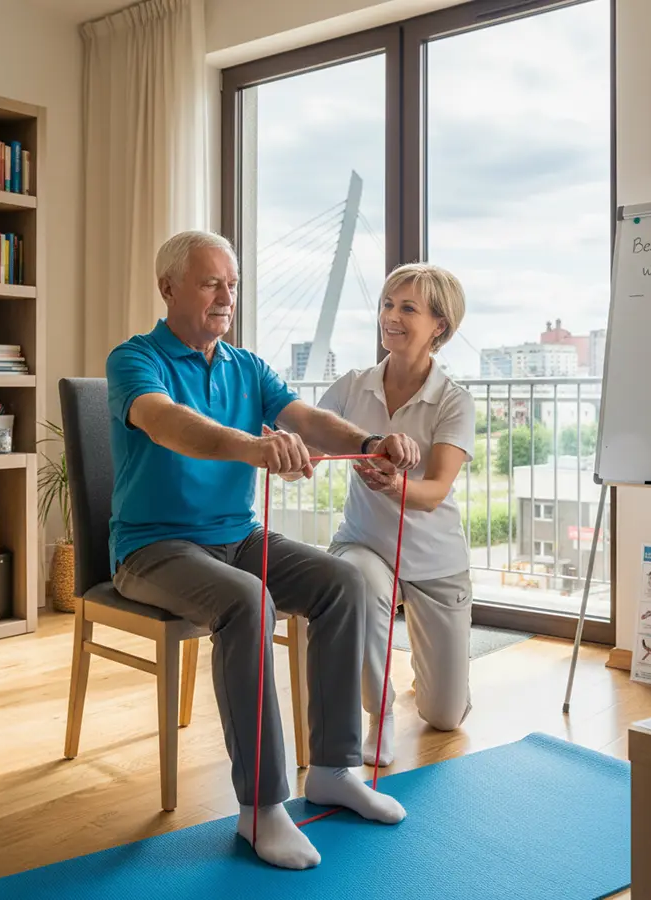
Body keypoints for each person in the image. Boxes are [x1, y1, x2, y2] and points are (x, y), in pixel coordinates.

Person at [105, 230, 422, 870]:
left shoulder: (246, 365)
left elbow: (306, 419)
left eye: (232, 284)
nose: (226, 297)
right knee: (248, 602)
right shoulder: (135, 359)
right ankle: (262, 807)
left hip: (238, 537)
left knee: (343, 582)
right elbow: (168, 424)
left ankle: (333, 769)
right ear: (168, 288)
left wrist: (370, 441)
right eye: (210, 283)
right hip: (152, 548)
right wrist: (254, 446)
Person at [318, 263, 477, 767]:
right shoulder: (351, 386)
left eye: (408, 308)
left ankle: (437, 683)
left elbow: (435, 491)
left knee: (445, 716)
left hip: (436, 560)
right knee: (358, 581)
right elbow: (310, 441)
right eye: (388, 304)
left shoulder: (453, 400)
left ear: (439, 326)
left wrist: (396, 485)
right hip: (365, 544)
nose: (391, 316)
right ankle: (378, 713)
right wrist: (289, 449)